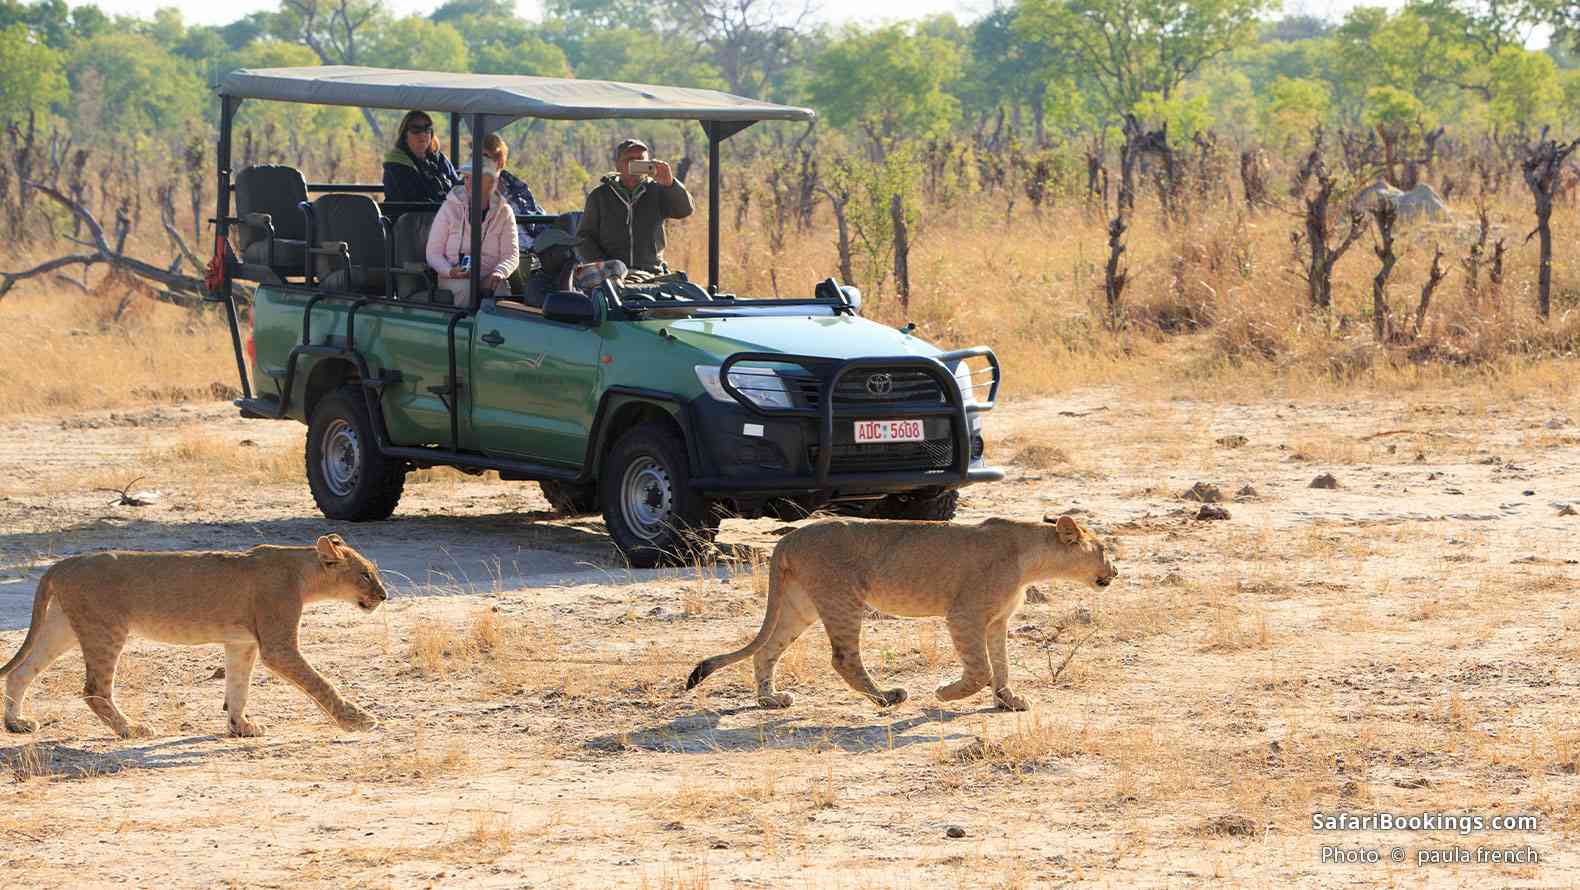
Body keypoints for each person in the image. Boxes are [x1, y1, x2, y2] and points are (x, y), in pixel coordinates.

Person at [576, 138, 693, 275]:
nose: (636, 163)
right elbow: (584, 238)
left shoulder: (658, 190)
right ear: (617, 165)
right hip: (611, 276)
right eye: (630, 159)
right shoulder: (600, 196)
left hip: (651, 273)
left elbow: (684, 210)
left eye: (641, 159)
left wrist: (670, 184)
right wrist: (606, 267)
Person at [424, 159, 519, 308]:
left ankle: (497, 331)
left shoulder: (504, 212)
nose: (467, 183)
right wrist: (450, 271)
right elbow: (432, 253)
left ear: (489, 182)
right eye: (466, 178)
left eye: (473, 178)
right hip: (454, 276)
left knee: (501, 288)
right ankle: (463, 330)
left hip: (488, 275)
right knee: (467, 288)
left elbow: (511, 254)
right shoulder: (449, 207)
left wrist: (500, 271)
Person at [481, 133, 548, 248]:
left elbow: (534, 217)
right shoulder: (466, 188)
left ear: (499, 160)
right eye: (479, 156)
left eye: (488, 157)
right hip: (493, 249)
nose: (483, 161)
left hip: (528, 247)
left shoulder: (515, 187)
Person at [383, 110, 460, 205]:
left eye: (427, 129)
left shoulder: (440, 159)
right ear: (404, 135)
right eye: (416, 129)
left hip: (446, 215)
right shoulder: (396, 164)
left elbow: (458, 188)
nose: (423, 134)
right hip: (414, 217)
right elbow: (415, 201)